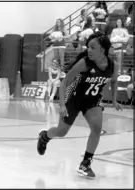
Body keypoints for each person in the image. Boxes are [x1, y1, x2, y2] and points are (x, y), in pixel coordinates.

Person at [37, 31, 123, 178]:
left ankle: (85, 163)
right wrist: (62, 105)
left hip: (92, 100)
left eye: (93, 47)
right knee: (61, 131)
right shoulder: (84, 63)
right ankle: (45, 136)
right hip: (74, 99)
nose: (88, 50)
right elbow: (65, 83)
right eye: (88, 47)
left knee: (96, 129)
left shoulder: (113, 66)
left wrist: (114, 100)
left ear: (103, 49)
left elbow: (114, 81)